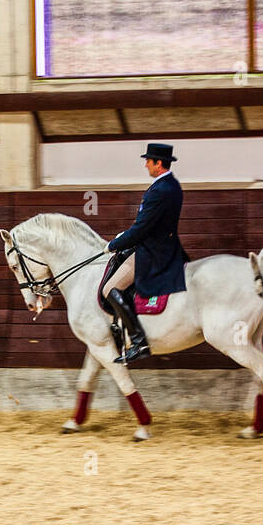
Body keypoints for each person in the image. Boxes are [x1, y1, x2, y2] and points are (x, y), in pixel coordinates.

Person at [102, 142, 190, 364]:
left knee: (109, 288)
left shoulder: (160, 190)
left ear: (158, 163)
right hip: (165, 244)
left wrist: (114, 244)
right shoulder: (172, 185)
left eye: (148, 161)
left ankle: (138, 340)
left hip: (154, 251)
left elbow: (142, 229)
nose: (146, 165)